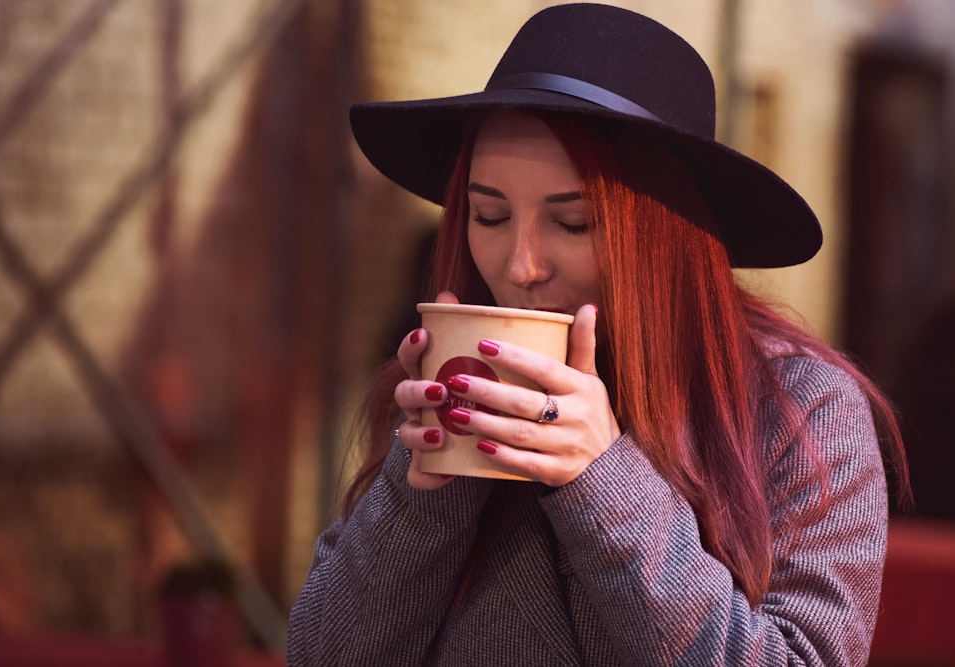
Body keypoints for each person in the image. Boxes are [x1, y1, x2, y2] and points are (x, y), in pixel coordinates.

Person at [287, 4, 912, 665]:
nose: (521, 265)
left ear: (666, 234)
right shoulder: (442, 387)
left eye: (574, 223)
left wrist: (603, 481)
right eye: (488, 214)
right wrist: (424, 492)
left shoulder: (802, 411)